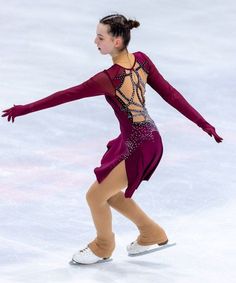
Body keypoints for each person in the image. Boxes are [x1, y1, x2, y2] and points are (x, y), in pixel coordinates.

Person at [2, 13, 223, 265]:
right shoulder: (142, 61)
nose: (95, 41)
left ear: (116, 41)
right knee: (110, 193)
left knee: (95, 196)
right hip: (147, 139)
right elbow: (171, 95)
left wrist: (25, 109)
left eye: (100, 37)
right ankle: (151, 232)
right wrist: (203, 123)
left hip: (139, 145)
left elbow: (65, 95)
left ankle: (103, 246)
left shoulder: (109, 78)